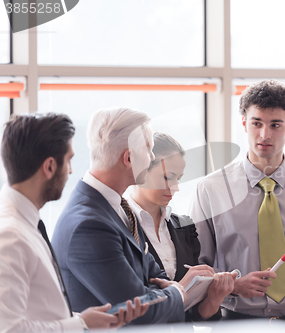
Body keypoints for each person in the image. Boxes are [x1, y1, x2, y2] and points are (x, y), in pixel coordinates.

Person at [189, 79, 285, 322]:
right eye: (256, 123)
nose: (264, 134)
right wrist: (233, 285)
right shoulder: (210, 190)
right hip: (234, 322)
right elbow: (196, 270)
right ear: (245, 123)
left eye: (275, 125)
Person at [0, 113, 148, 333]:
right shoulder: (11, 236)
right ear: (49, 167)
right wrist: (80, 324)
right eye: (69, 160)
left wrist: (87, 320)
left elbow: (41, 311)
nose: (70, 170)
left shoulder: (26, 225)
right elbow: (9, 329)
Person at [51, 107, 186, 325]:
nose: (152, 158)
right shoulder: (88, 224)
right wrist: (177, 294)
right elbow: (141, 311)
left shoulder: (121, 207)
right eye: (149, 149)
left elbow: (156, 275)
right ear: (129, 158)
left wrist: (156, 293)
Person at [128, 132, 236, 321]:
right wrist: (182, 287)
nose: (176, 187)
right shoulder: (119, 225)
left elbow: (195, 315)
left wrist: (215, 297)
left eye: (179, 178)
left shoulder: (184, 227)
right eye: (168, 177)